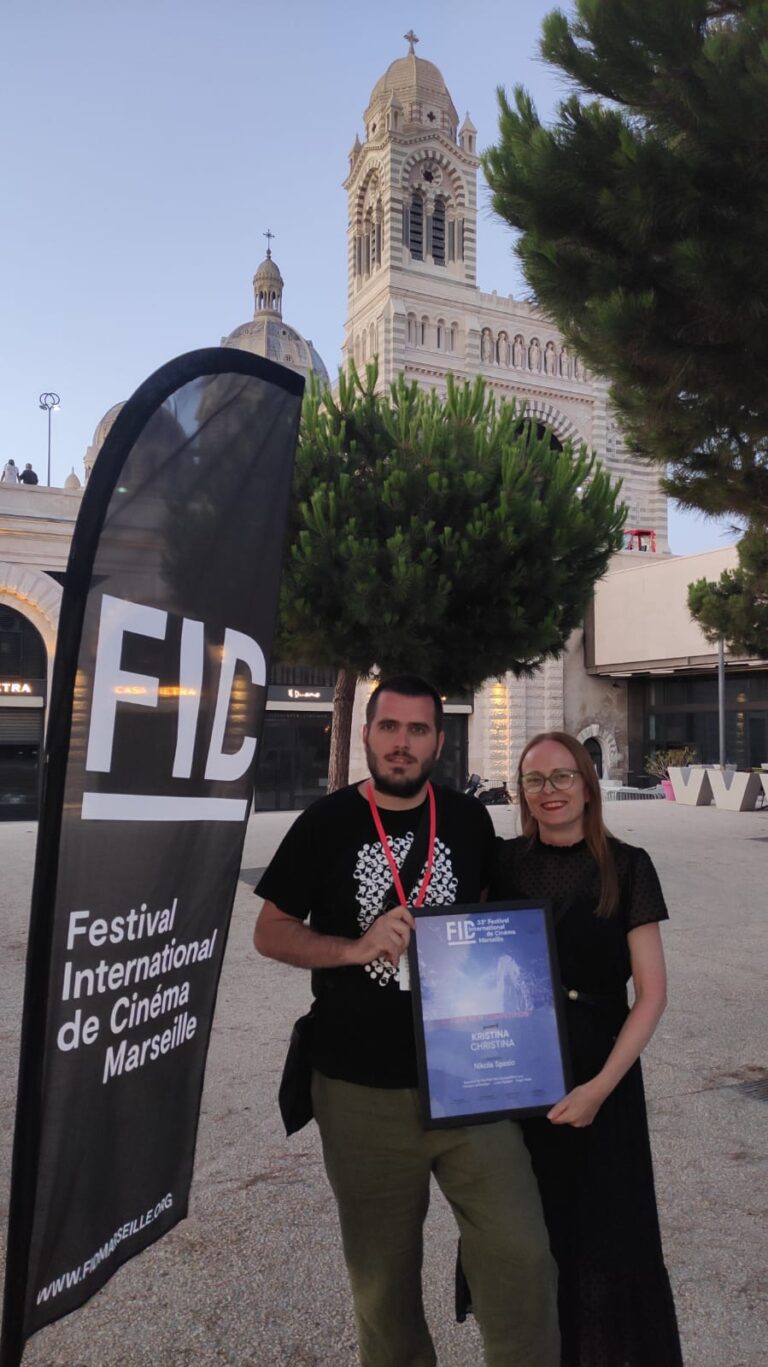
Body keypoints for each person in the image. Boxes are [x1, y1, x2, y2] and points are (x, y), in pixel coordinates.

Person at [254, 675, 560, 1367]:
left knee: (521, 1253)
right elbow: (270, 931)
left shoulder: (468, 820)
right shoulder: (326, 822)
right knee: (384, 1286)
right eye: (389, 727)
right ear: (366, 734)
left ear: (438, 742)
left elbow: (496, 921)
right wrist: (353, 947)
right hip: (361, 1090)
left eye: (417, 729)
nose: (401, 743)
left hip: (471, 1083)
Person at [459, 731, 682, 1366]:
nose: (549, 790)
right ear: (521, 792)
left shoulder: (628, 866)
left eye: (562, 777)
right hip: (516, 1072)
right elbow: (467, 960)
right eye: (535, 779)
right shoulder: (501, 863)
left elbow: (652, 994)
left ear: (587, 785)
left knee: (607, 1237)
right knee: (528, 1236)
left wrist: (599, 1089)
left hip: (600, 1077)